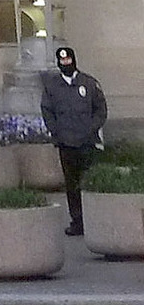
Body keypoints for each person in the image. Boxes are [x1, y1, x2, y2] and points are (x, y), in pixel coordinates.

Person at [43, 44, 108, 236]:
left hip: (87, 143)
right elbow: (47, 111)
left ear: (74, 60)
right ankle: (77, 221)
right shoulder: (53, 87)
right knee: (72, 185)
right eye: (62, 61)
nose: (66, 63)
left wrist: (90, 129)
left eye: (68, 60)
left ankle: (94, 221)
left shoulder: (88, 83)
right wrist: (57, 133)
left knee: (89, 183)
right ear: (58, 63)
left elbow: (101, 109)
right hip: (66, 143)